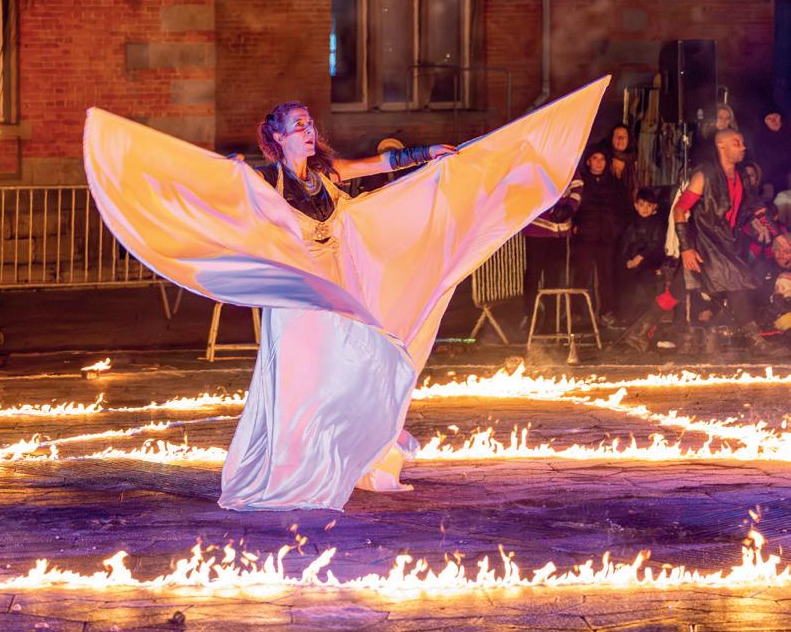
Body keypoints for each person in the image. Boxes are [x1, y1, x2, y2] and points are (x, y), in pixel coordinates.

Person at [83, 78, 609, 511]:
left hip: (339, 284)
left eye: (311, 124)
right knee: (303, 380)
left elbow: (375, 166)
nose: (309, 131)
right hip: (298, 296)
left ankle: (354, 451)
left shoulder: (327, 175)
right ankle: (293, 468)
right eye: (299, 126)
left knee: (359, 360)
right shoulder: (266, 183)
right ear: (278, 137)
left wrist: (427, 155)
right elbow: (223, 199)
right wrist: (214, 176)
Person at [673, 127, 769, 349]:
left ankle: (637, 333)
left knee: (677, 290)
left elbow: (749, 210)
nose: (743, 147)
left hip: (725, 244)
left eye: (743, 142)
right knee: (735, 281)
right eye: (737, 143)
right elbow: (680, 209)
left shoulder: (741, 177)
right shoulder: (704, 174)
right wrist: (686, 248)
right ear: (721, 145)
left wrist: (771, 232)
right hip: (703, 245)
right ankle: (757, 340)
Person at [520, 174, 582, 332]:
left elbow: (577, 185)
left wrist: (570, 208)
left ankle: (551, 319)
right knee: (533, 274)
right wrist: (547, 209)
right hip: (537, 228)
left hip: (559, 230)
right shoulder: (536, 163)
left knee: (553, 277)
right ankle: (531, 315)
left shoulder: (569, 162)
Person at [572, 147, 627, 321]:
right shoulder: (580, 182)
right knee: (581, 275)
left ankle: (606, 312)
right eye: (595, 158)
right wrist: (575, 225)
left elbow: (622, 208)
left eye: (602, 159)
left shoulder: (614, 183)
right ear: (588, 161)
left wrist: (616, 229)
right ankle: (576, 312)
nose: (598, 162)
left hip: (607, 236)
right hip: (585, 236)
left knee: (606, 276)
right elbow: (573, 206)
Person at [617, 186, 666, 320]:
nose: (645, 209)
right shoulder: (631, 223)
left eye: (649, 205)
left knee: (645, 289)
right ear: (636, 206)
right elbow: (625, 243)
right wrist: (627, 259)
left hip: (649, 262)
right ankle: (625, 317)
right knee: (627, 287)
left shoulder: (657, 224)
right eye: (642, 205)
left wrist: (639, 257)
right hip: (632, 262)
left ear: (655, 207)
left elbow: (655, 244)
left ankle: (644, 319)